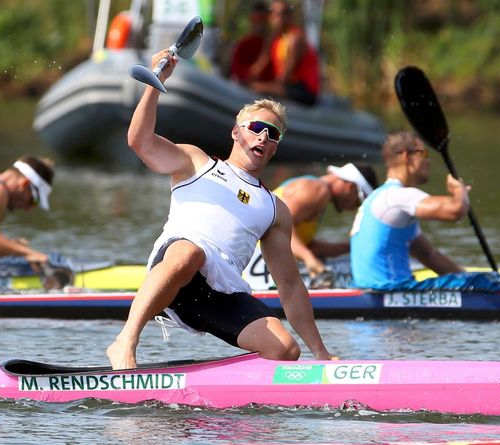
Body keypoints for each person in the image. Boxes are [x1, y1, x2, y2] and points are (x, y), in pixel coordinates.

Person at [107, 47, 335, 370]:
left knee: (286, 350)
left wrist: (321, 353)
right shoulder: (195, 162)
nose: (264, 138)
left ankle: (221, 385)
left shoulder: (275, 209)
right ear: (236, 131)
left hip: (218, 296)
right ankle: (125, 342)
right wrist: (154, 83)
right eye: (257, 128)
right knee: (191, 253)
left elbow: (290, 285)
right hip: (177, 271)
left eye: (274, 135)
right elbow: (140, 142)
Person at [350, 131, 500, 292]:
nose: (429, 161)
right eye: (424, 153)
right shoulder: (397, 196)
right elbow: (456, 210)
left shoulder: (378, 197)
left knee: (477, 281)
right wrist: (459, 191)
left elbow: (428, 256)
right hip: (389, 290)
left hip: (372, 290)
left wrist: (466, 280)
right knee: (490, 281)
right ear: (406, 157)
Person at [273, 163, 378, 279]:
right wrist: (309, 259)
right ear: (351, 187)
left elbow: (304, 246)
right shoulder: (318, 189)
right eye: (358, 202)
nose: (354, 209)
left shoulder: (319, 194)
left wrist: (351, 247)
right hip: (261, 261)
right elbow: (278, 226)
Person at [247, 0, 321, 106]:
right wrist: (250, 76)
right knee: (254, 85)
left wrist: (261, 86)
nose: (279, 19)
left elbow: (284, 77)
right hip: (289, 86)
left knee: (259, 88)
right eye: (274, 14)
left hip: (303, 90)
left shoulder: (295, 38)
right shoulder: (275, 39)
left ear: (289, 16)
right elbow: (260, 65)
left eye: (284, 14)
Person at [228, 2, 274, 84]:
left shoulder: (276, 43)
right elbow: (237, 73)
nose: (259, 23)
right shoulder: (243, 45)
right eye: (256, 19)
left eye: (262, 19)